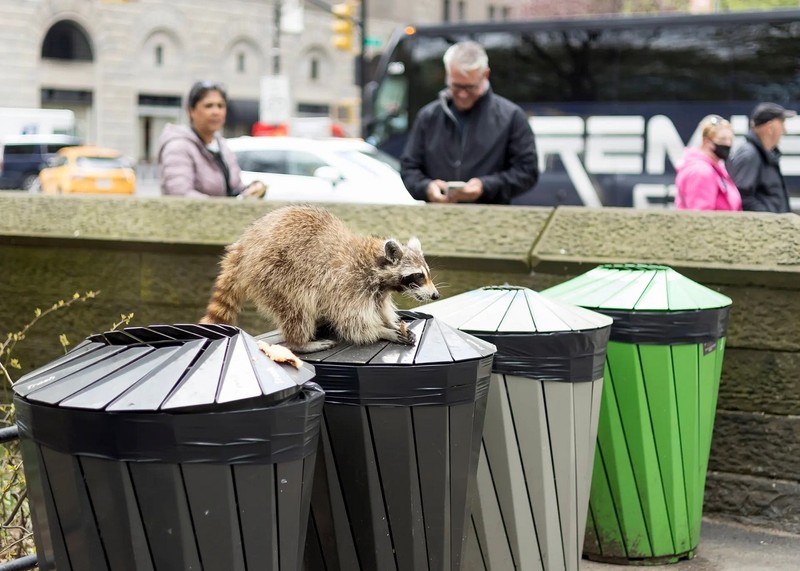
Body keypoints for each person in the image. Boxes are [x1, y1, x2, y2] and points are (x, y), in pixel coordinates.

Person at [400, 41, 538, 204]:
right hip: (437, 219)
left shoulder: (512, 116)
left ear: (485, 75)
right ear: (447, 75)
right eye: (456, 86)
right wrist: (427, 187)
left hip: (491, 222)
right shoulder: (428, 116)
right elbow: (409, 168)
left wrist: (485, 186)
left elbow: (527, 172)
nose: (463, 95)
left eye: (470, 87)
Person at [158, 80, 266, 198]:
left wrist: (252, 189)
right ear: (191, 111)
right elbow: (180, 194)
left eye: (221, 106)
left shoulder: (222, 146)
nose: (216, 112)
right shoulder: (178, 147)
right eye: (208, 106)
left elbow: (234, 189)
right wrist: (219, 206)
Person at [727, 102, 796, 213]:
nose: (784, 130)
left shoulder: (763, 155)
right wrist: (770, 220)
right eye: (782, 123)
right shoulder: (749, 155)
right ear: (770, 127)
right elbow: (742, 198)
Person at [674, 115, 741, 211]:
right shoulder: (701, 171)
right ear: (707, 141)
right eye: (722, 139)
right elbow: (701, 217)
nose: (727, 144)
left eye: (730, 139)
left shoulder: (717, 167)